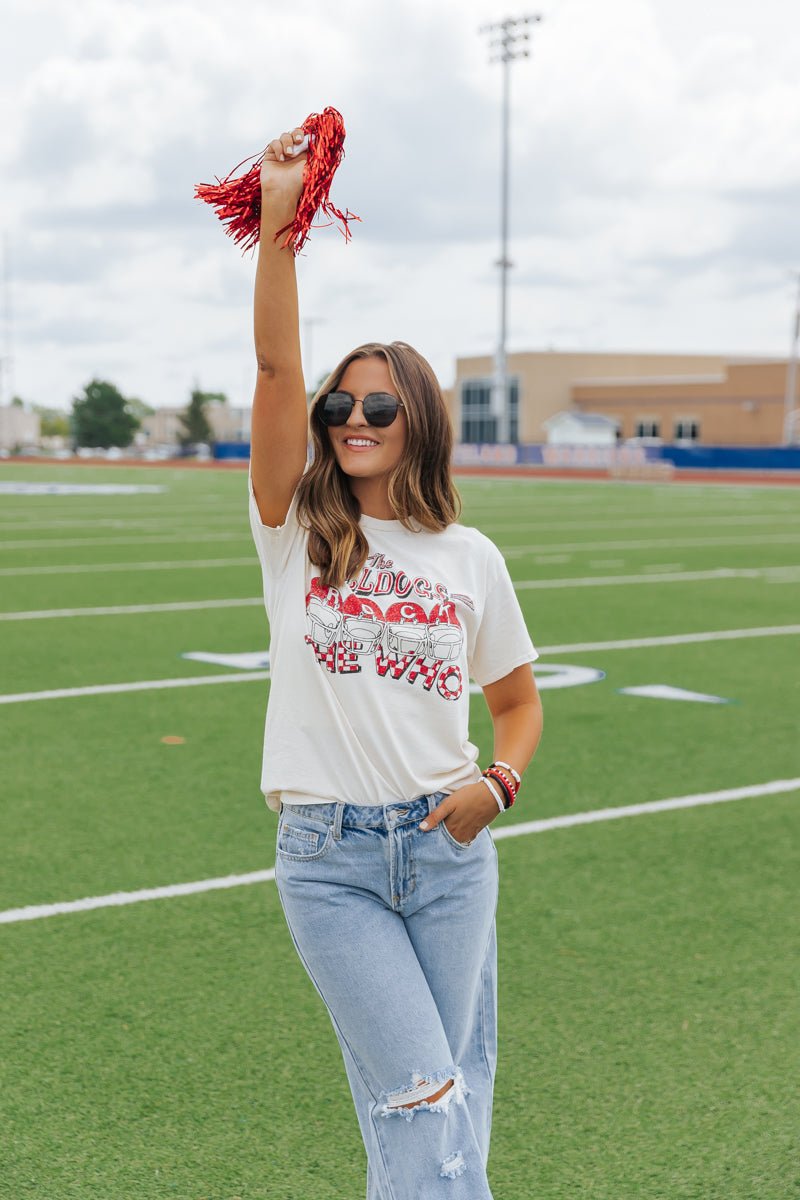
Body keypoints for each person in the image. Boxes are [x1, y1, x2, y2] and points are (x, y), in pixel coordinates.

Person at [248, 124, 544, 1200]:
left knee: (449, 1095)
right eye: (342, 406)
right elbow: (277, 367)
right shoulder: (296, 531)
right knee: (422, 1094)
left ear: (416, 419)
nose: (354, 417)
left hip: (448, 850)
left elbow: (516, 703)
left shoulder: (470, 558)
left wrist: (496, 784)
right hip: (330, 863)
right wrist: (281, 225)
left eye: (378, 404)